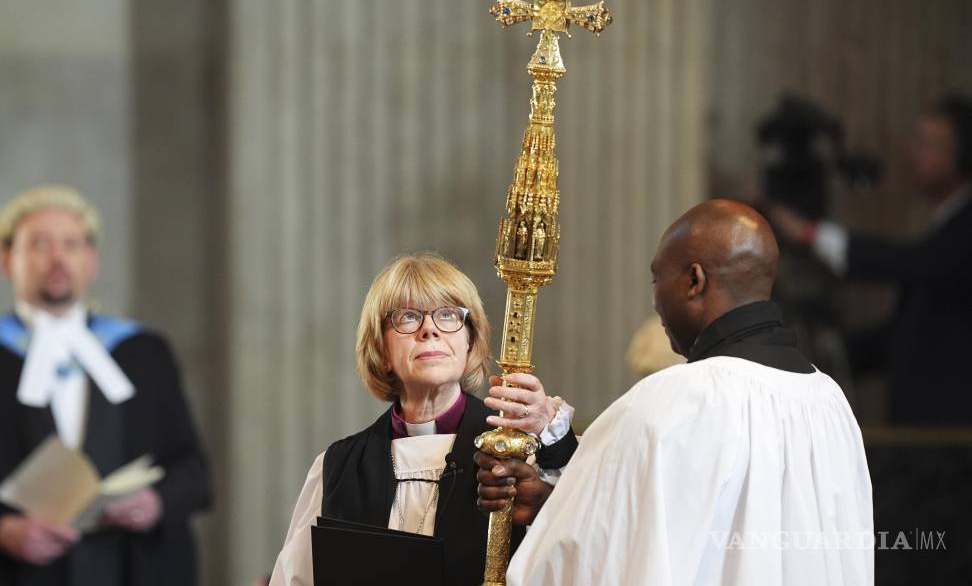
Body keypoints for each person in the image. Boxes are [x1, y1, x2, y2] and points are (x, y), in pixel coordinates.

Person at [477, 200, 873, 585]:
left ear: (694, 281)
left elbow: (591, 562)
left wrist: (550, 512)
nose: (655, 300)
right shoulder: (831, 402)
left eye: (656, 279)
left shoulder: (671, 401)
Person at [269, 254, 574, 585]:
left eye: (447, 315)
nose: (430, 329)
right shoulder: (338, 468)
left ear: (470, 341)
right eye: (408, 317)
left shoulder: (516, 456)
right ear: (382, 352)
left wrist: (553, 437)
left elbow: (585, 548)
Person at [0, 185, 211, 586]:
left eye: (72, 244)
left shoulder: (143, 352)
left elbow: (193, 472)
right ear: (8, 260)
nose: (58, 258)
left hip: (131, 566)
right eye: (40, 245)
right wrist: (3, 531)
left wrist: (156, 503)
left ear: (92, 261)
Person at [769, 94, 972, 425]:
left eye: (927, 144)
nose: (911, 154)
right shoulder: (947, 225)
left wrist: (811, 235)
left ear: (963, 154)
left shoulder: (964, 229)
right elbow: (906, 336)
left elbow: (910, 264)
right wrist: (823, 353)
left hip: (950, 439)